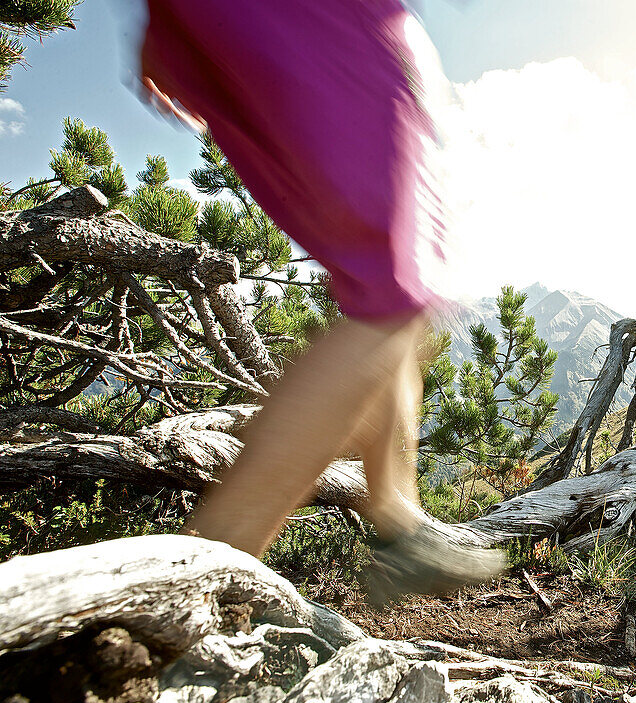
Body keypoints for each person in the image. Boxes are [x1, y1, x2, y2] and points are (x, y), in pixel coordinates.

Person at [131, 0, 504, 605]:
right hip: (318, 23)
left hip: (266, 23)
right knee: (392, 294)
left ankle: (396, 515)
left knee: (398, 284)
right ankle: (196, 583)